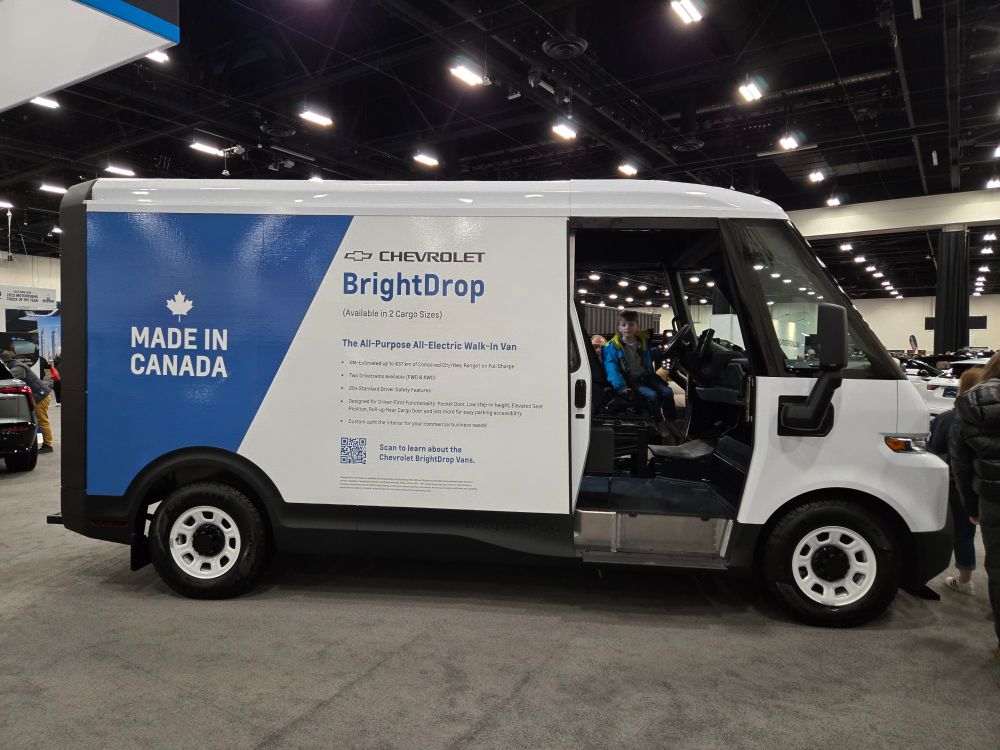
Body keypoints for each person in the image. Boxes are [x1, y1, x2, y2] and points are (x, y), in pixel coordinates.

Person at [950, 351, 1000, 663]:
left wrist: (971, 506)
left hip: (993, 502)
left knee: (998, 570)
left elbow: (961, 464)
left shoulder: (969, 404)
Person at [928, 368, 982, 593]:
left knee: (951, 530)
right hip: (983, 483)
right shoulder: (988, 419)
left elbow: (934, 448)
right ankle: (967, 580)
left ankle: (960, 579)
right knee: (971, 533)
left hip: (953, 483)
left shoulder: (948, 418)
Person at [603, 311, 680, 439]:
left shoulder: (642, 341)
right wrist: (620, 386)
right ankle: (659, 422)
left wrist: (663, 351)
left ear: (637, 327)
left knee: (667, 391)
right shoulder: (613, 347)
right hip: (633, 381)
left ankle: (671, 420)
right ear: (619, 328)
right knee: (652, 396)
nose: (627, 327)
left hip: (648, 376)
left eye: (631, 324)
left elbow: (648, 355)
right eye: (624, 325)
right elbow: (612, 368)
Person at [1, 345, 54, 454]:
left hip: (41, 396)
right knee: (41, 420)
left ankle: (48, 445)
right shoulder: (16, 365)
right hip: (40, 395)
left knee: (42, 421)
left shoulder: (17, 367)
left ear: (5, 362)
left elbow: (8, 376)